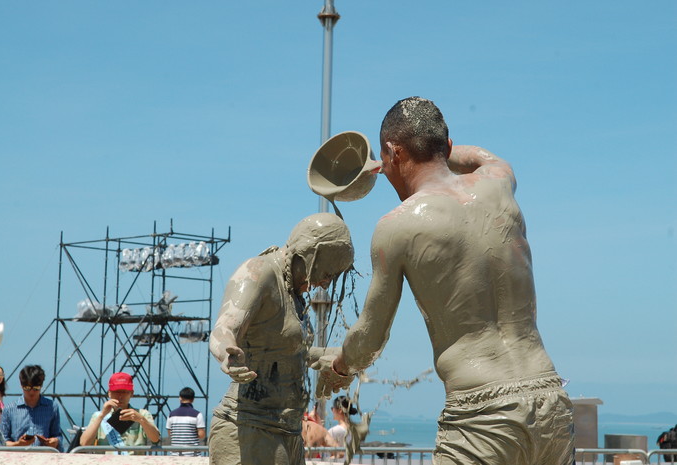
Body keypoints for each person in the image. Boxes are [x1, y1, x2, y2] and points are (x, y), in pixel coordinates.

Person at [315, 97, 575, 465]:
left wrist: (340, 367)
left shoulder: (397, 225)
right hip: (550, 403)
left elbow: (371, 338)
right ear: (447, 147)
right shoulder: (499, 182)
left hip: (482, 416)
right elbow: (483, 157)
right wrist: (432, 151)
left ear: (392, 152)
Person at [208, 212, 354, 465]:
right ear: (308, 253)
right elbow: (224, 328)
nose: (325, 283)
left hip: (288, 430)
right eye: (326, 273)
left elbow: (289, 353)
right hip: (249, 427)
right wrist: (227, 353)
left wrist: (338, 358)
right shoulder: (260, 272)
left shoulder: (295, 294)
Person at [80, 372, 160, 455]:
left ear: (131, 393)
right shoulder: (98, 416)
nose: (120, 396)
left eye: (124, 392)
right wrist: (102, 416)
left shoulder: (142, 414)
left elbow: (155, 439)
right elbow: (84, 443)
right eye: (116, 392)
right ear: (109, 393)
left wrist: (141, 420)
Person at [0, 364, 63, 451]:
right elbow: (2, 442)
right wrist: (18, 444)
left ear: (41, 386)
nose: (32, 392)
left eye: (36, 388)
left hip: (44, 456)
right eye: (27, 388)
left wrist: (55, 442)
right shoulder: (9, 410)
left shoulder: (52, 407)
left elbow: (57, 435)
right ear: (21, 385)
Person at [166, 386, 205, 456]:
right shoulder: (197, 414)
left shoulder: (171, 414)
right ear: (193, 399)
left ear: (180, 398)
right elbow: (201, 435)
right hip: (192, 454)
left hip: (175, 454)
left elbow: (170, 433)